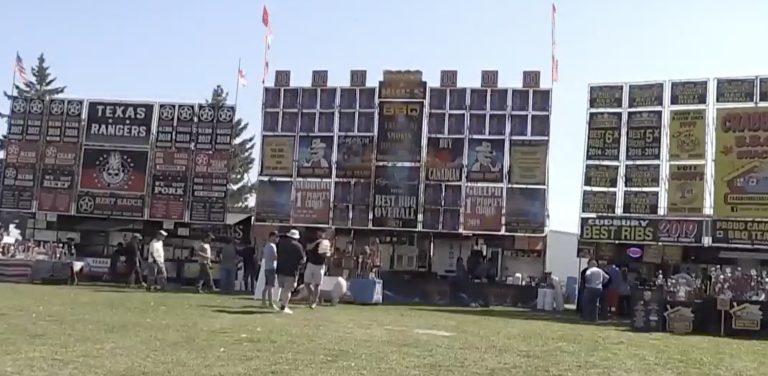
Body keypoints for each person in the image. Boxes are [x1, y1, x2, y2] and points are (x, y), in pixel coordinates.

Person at [275, 229, 305, 314]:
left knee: (282, 289)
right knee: (287, 290)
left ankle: (282, 304)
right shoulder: (298, 246)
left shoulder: (280, 243)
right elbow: (303, 259)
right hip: (291, 271)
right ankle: (283, 307)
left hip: (280, 269)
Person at [304, 229, 331, 309]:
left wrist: (327, 254)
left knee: (317, 284)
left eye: (322, 232)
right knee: (306, 283)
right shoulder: (312, 240)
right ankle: (313, 296)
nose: (321, 234)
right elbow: (308, 248)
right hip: (310, 263)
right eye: (319, 232)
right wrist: (317, 242)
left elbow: (327, 253)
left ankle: (314, 301)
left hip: (320, 265)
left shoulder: (326, 242)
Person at [261, 231, 278, 309]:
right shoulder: (272, 246)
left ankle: (263, 301)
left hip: (266, 267)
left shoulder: (266, 246)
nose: (276, 239)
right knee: (270, 286)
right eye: (275, 237)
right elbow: (275, 257)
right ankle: (271, 303)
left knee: (266, 285)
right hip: (272, 267)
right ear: (272, 236)